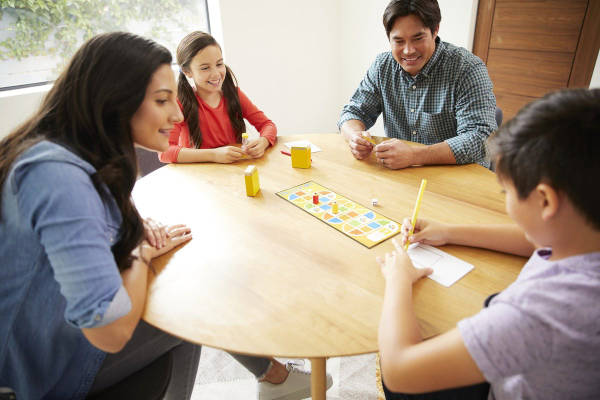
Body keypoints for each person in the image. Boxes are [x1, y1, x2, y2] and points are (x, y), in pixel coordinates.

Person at [0, 32, 327, 400]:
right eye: (161, 100)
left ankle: (272, 376)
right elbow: (109, 331)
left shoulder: (69, 157)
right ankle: (275, 376)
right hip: (41, 371)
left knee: (178, 278)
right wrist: (138, 251)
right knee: (190, 308)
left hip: (51, 337)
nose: (175, 114)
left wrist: (132, 232)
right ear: (115, 102)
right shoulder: (58, 177)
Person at [376, 88, 600, 399]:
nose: (506, 200)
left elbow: (400, 370)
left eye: (506, 193)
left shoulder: (543, 311)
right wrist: (449, 231)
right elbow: (535, 243)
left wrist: (398, 280)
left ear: (545, 200)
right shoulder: (581, 235)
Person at [339, 0, 496, 170]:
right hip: (403, 175)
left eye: (418, 38)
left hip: (458, 176)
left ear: (435, 30)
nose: (408, 51)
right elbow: (353, 112)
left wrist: (414, 155)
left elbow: (481, 138)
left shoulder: (467, 68)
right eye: (399, 41)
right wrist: (355, 137)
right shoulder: (382, 66)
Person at [159, 31, 277, 164]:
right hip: (198, 177)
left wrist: (263, 141)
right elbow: (164, 152)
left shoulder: (235, 94)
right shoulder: (179, 103)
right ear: (187, 72)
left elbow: (267, 125)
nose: (216, 74)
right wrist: (213, 155)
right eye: (205, 68)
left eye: (219, 64)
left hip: (234, 172)